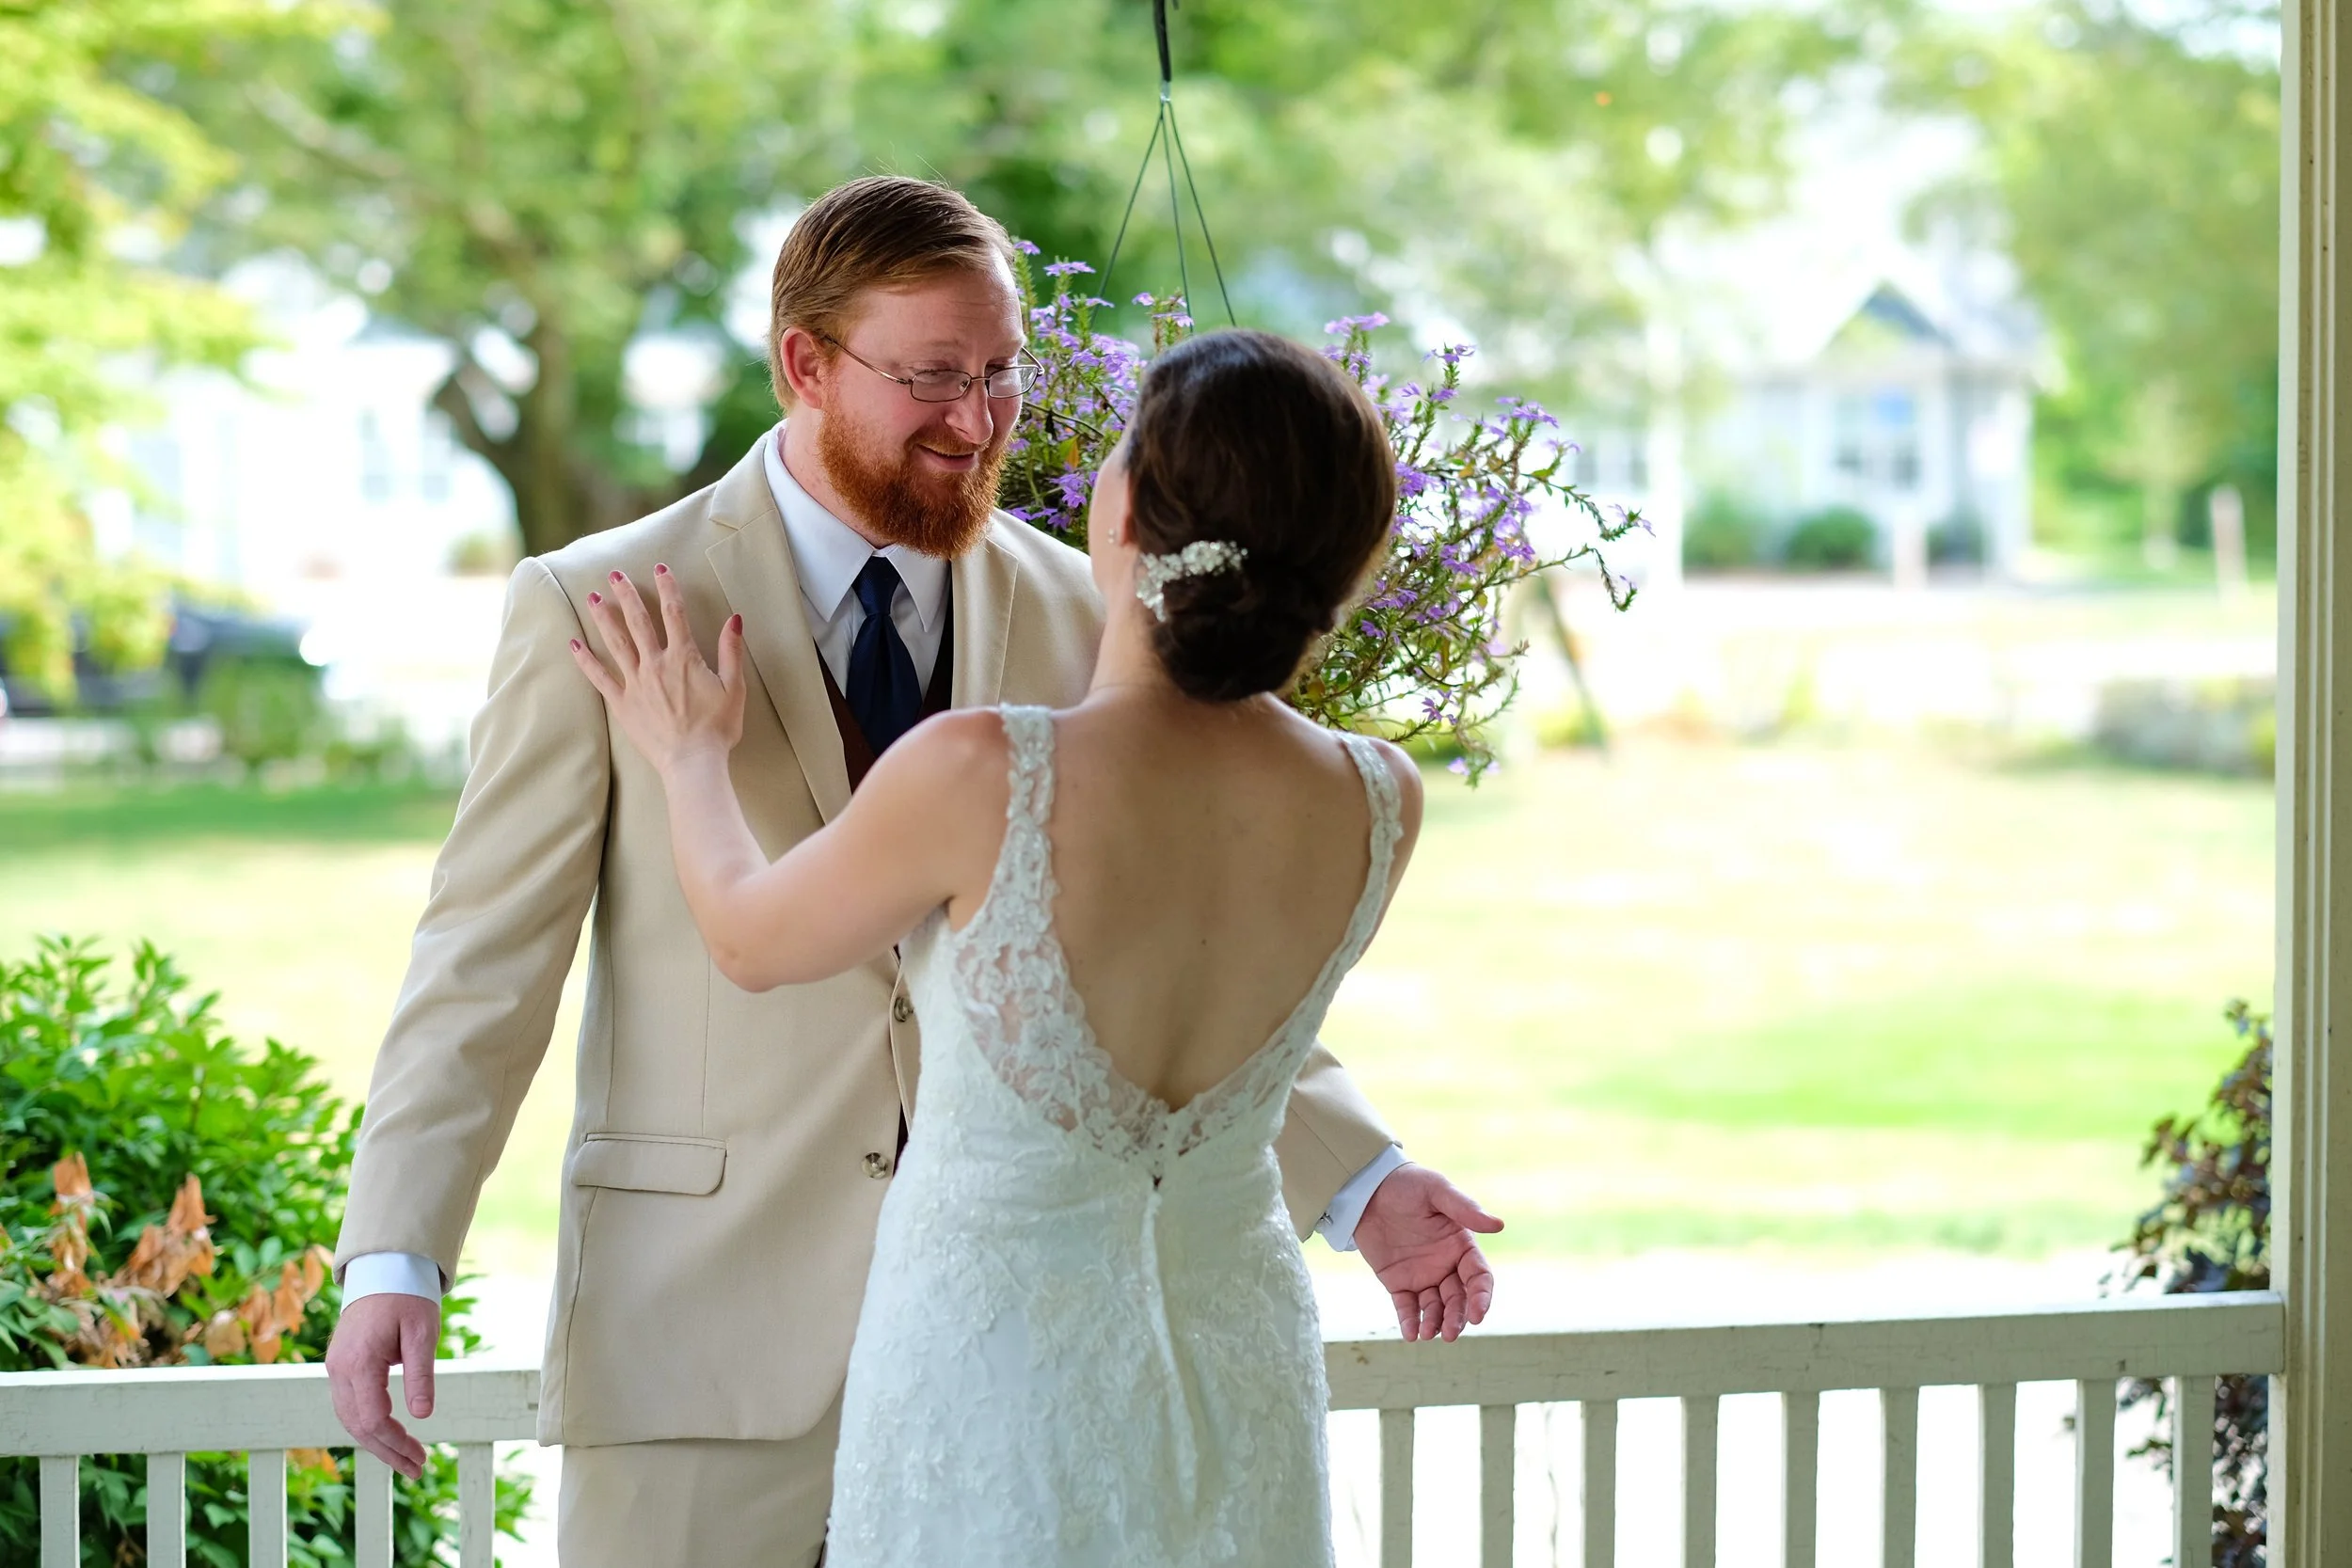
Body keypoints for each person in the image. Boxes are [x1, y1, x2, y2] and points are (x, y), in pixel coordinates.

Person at [326, 175, 1500, 1568]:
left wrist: (1360, 1179)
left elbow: (1137, 956)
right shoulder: (605, 605)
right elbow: (484, 955)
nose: (981, 418)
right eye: (934, 375)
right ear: (804, 364)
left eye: (1003, 372)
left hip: (1019, 1365)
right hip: (707, 1351)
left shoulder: (1091, 604)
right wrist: (396, 1249)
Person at [575, 325, 1459, 1565]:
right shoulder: (1378, 797)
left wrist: (689, 759)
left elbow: (749, 938)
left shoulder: (986, 771)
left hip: (993, 1381)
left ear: (1133, 511)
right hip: (1238, 1361)